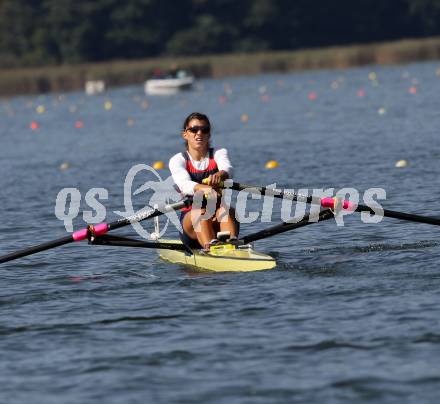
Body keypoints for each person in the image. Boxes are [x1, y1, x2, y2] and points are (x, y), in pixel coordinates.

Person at [169, 112, 238, 251]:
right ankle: (210, 247)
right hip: (192, 225)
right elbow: (184, 185)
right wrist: (205, 188)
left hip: (218, 218)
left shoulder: (219, 153)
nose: (199, 133)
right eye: (194, 130)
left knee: (225, 210)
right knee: (200, 212)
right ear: (185, 134)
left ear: (209, 134)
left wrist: (221, 174)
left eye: (204, 130)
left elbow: (228, 168)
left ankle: (233, 245)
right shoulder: (178, 160)